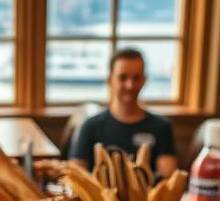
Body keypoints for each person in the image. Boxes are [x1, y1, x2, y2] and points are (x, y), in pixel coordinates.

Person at [69, 48, 178, 178]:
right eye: (123, 77)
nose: (130, 85)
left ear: (144, 80)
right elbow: (76, 175)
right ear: (110, 80)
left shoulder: (161, 126)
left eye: (136, 78)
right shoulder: (90, 126)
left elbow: (168, 177)